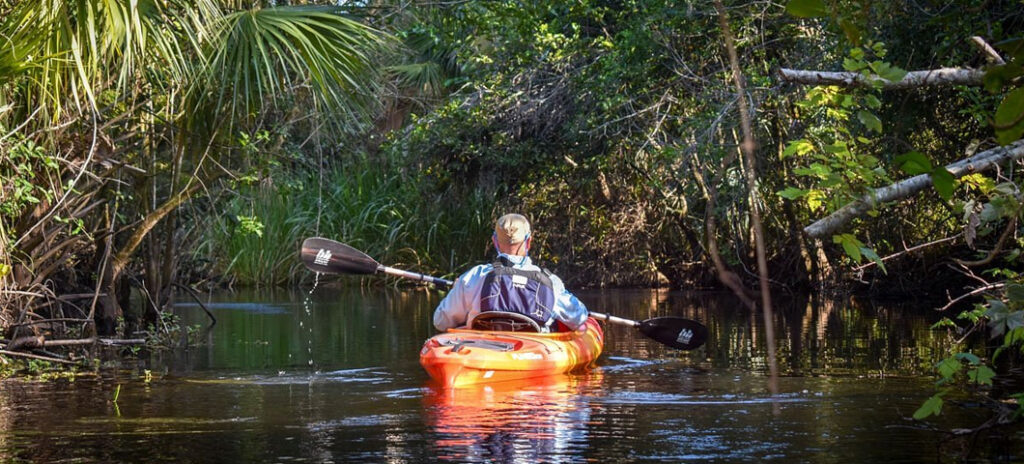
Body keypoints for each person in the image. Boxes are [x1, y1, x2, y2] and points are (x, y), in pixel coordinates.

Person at [432, 214, 589, 333]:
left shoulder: (473, 276)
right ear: (528, 241)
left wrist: (457, 288)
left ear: (495, 241)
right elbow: (579, 318)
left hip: (483, 348)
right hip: (532, 350)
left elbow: (441, 322)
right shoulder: (551, 282)